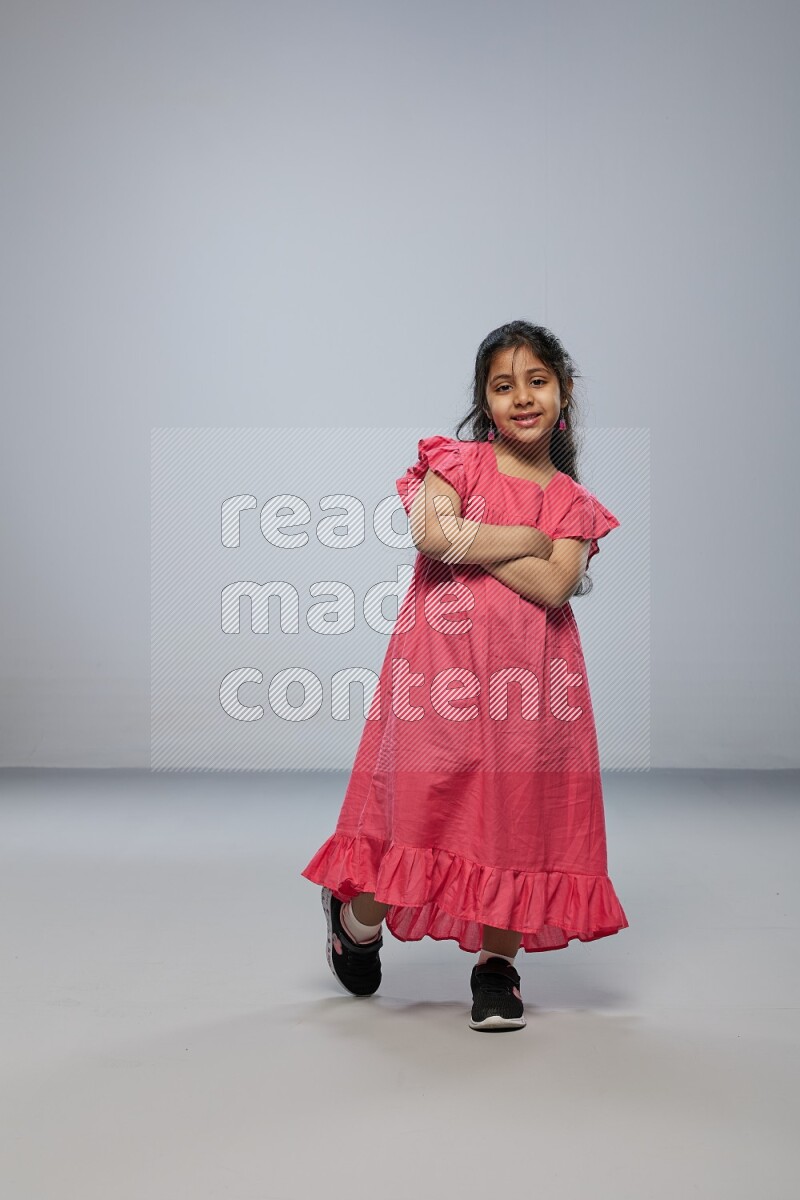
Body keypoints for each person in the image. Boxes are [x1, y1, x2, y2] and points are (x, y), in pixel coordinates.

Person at [301, 320, 629, 1032]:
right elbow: (431, 533)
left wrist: (476, 542)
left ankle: (497, 967)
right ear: (485, 401)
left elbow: (554, 586)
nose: (522, 398)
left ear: (563, 393)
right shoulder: (457, 463)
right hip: (439, 676)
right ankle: (355, 919)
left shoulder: (573, 501)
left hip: (532, 688)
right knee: (421, 810)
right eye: (504, 386)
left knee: (515, 818)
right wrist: (529, 539)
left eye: (537, 382)